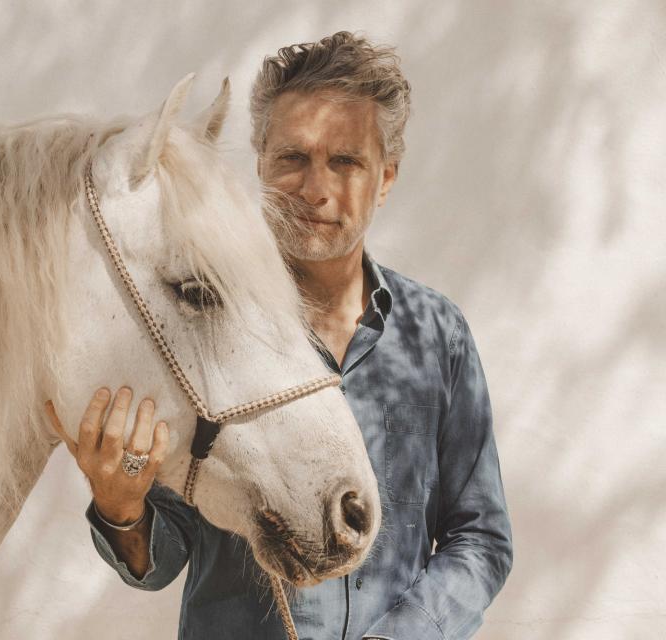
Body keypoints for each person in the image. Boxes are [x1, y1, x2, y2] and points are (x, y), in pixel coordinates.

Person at [46, 31, 512, 640]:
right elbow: (161, 557)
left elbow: (480, 539)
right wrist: (121, 507)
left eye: (345, 162)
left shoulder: (437, 333)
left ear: (386, 179)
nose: (315, 190)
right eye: (293, 157)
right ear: (260, 159)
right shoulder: (199, 316)